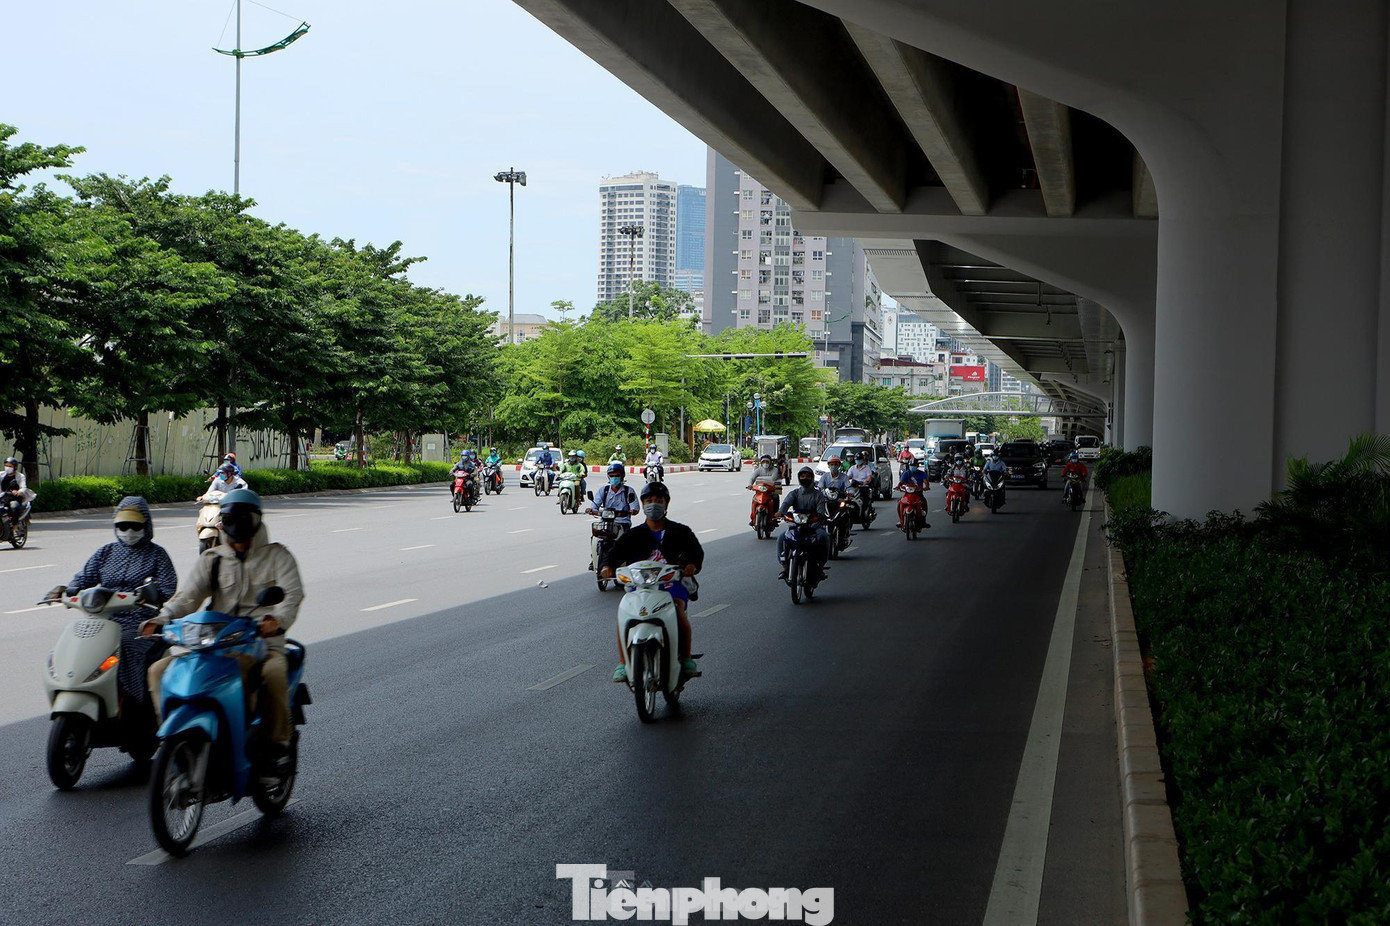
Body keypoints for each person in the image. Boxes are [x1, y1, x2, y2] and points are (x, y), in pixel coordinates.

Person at [142, 489, 303, 775]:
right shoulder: (213, 558)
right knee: (158, 671)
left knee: (274, 674)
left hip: (262, 644)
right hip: (214, 644)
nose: (235, 524)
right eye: (229, 518)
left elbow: (292, 596)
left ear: (256, 519)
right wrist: (162, 618)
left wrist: (276, 621)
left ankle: (276, 745)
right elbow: (188, 597)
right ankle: (174, 737)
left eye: (242, 518)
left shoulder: (277, 556)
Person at [46, 497, 177, 750]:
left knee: (126, 646)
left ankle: (134, 712)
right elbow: (84, 577)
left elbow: (168, 586)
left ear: (146, 526)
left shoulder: (156, 554)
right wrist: (68, 589)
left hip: (141, 621)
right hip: (105, 618)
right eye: (123, 526)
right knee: (80, 645)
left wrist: (151, 594)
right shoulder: (106, 552)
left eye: (135, 526)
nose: (129, 531)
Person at [599, 481, 703, 683]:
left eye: (658, 501)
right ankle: (623, 663)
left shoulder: (681, 532)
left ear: (666, 504)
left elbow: (696, 553)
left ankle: (686, 658)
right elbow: (614, 554)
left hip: (671, 584)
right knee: (624, 614)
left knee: (677, 609)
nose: (653, 504)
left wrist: (691, 565)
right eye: (649, 501)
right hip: (639, 586)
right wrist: (606, 567)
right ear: (643, 504)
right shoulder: (633, 535)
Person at [776, 466, 831, 582]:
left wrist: (819, 517)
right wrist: (780, 512)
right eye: (802, 476)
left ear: (812, 478)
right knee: (781, 538)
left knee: (824, 537)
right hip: (797, 526)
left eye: (807, 476)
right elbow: (786, 504)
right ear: (799, 478)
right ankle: (784, 567)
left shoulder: (818, 495)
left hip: (814, 527)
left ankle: (820, 567)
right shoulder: (795, 493)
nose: (805, 478)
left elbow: (821, 511)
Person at [588, 461, 640, 527]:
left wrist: (633, 511)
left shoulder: (629, 491)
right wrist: (591, 510)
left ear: (622, 476)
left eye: (617, 476)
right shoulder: (603, 490)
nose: (614, 478)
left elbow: (635, 508)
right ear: (608, 477)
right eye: (611, 476)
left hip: (623, 522)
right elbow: (594, 505)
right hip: (605, 522)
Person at [895, 458, 931, 530]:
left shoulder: (922, 473)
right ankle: (901, 520)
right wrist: (898, 487)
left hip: (918, 494)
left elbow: (926, 482)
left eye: (914, 465)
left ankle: (923, 521)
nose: (912, 466)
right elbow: (901, 482)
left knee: (924, 503)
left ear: (917, 465)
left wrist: (926, 487)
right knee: (899, 503)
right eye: (911, 465)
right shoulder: (906, 473)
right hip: (907, 494)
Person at [1, 457, 33, 525]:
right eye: (6, 466)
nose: (7, 468)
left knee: (14, 506)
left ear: (15, 467)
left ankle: (15, 526)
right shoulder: (1, 475)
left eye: (10, 466)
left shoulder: (20, 476)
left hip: (15, 497)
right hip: (3, 497)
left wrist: (19, 492)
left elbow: (23, 487)